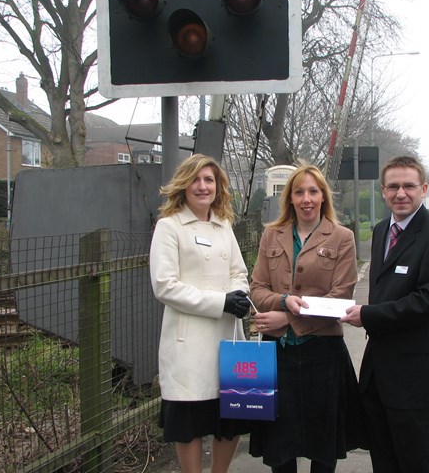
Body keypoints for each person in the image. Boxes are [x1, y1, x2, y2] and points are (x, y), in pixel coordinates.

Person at [341, 155, 429, 473]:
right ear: (383, 191)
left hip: (419, 378)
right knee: (385, 461)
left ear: (423, 188)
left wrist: (368, 315)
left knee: (422, 463)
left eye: (408, 186)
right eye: (393, 186)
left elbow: (428, 303)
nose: (401, 193)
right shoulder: (381, 231)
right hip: (380, 375)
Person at [249, 163, 365, 473]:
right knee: (279, 446)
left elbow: (339, 298)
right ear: (290, 198)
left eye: (313, 191)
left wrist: (286, 319)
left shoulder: (342, 237)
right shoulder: (272, 235)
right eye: (299, 192)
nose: (306, 199)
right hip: (278, 355)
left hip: (322, 354)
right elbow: (257, 288)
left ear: (324, 197)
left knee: (322, 446)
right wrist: (284, 299)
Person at [149, 154, 251, 473]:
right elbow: (165, 286)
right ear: (183, 184)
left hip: (227, 339)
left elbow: (240, 272)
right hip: (188, 343)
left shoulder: (223, 226)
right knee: (189, 423)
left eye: (209, 180)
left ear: (217, 187)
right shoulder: (169, 227)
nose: (203, 186)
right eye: (196, 179)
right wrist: (220, 302)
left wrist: (240, 294)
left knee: (229, 418)